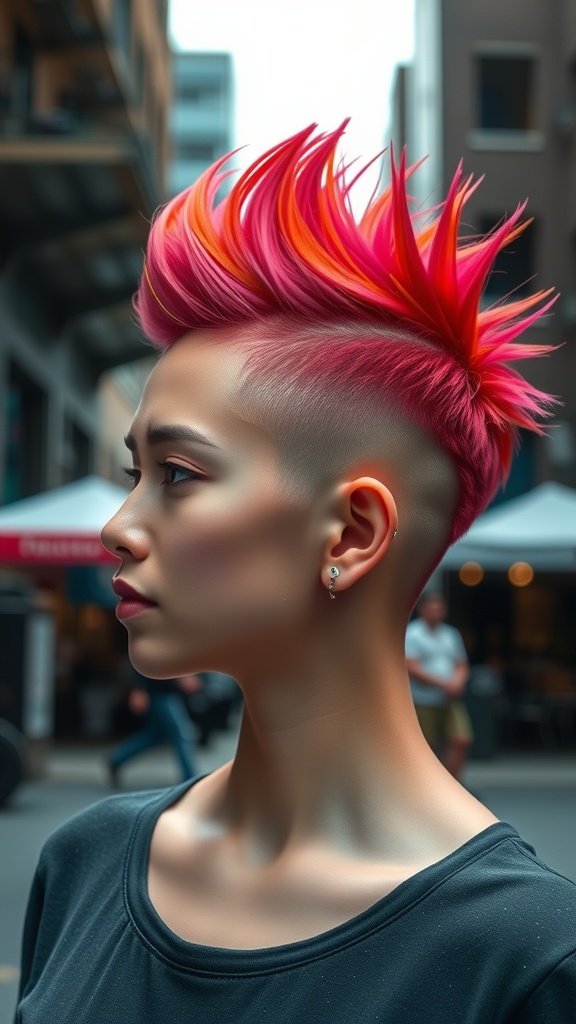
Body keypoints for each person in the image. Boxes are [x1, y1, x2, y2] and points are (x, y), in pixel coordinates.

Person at [16, 124, 576, 1023]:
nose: (120, 529)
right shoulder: (83, 864)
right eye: (135, 476)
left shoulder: (529, 964)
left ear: (352, 534)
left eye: (180, 476)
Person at [405, 590, 473, 781]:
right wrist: (444, 684)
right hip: (424, 699)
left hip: (450, 698)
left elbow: (461, 665)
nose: (437, 611)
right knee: (428, 746)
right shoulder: (413, 634)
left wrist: (457, 683)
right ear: (422, 609)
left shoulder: (450, 634)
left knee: (461, 738)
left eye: (440, 607)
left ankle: (451, 784)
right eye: (432, 607)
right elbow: (412, 667)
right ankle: (430, 787)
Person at [105, 670, 201, 785]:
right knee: (182, 734)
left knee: (155, 735)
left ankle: (117, 759)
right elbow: (145, 659)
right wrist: (139, 688)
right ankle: (190, 779)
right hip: (160, 691)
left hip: (164, 689)